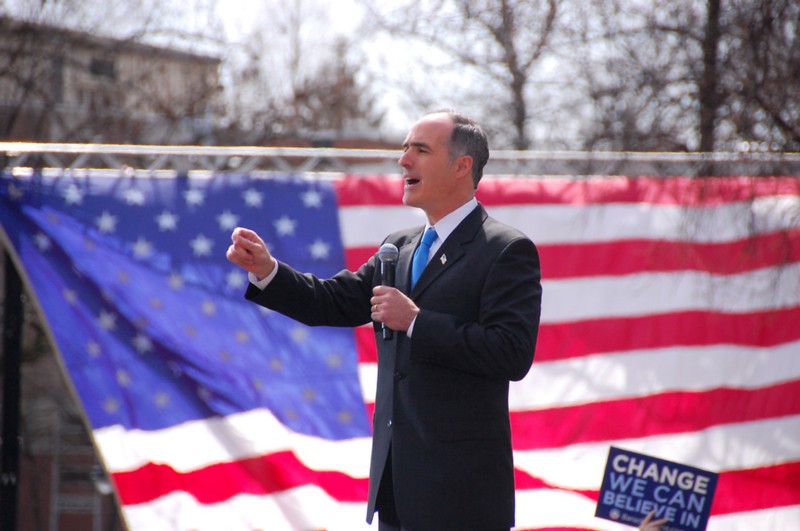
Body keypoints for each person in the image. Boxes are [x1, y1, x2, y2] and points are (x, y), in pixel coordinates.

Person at [227, 110, 542, 530]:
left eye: (420, 150)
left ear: (462, 166)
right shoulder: (399, 248)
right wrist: (268, 271)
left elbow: (511, 353)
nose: (404, 160)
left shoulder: (505, 250)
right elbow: (333, 302)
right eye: (405, 148)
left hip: (462, 497)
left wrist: (416, 321)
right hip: (396, 489)